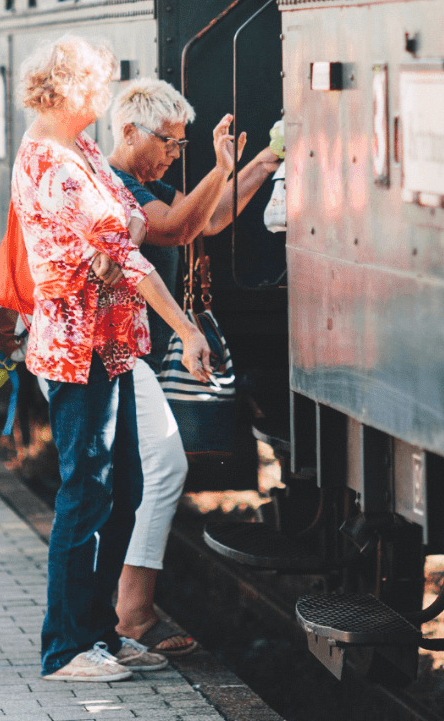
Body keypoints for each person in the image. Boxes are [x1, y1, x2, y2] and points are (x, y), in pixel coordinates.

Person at [11, 34, 211, 683]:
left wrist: (109, 250)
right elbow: (123, 251)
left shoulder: (83, 149)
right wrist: (183, 327)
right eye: (95, 85)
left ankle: (102, 633)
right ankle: (66, 648)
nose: (103, 95)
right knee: (86, 493)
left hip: (113, 344)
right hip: (77, 352)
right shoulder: (53, 163)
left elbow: (128, 221)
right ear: (71, 91)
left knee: (123, 485)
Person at [102, 79, 282, 657]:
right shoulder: (120, 185)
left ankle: (128, 609)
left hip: (143, 352)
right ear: (129, 131)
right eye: (170, 144)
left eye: (181, 147)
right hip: (125, 351)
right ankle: (128, 612)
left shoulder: (148, 181)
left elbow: (208, 219)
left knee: (148, 473)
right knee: (156, 471)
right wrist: (222, 167)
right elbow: (180, 225)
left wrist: (260, 162)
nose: (174, 155)